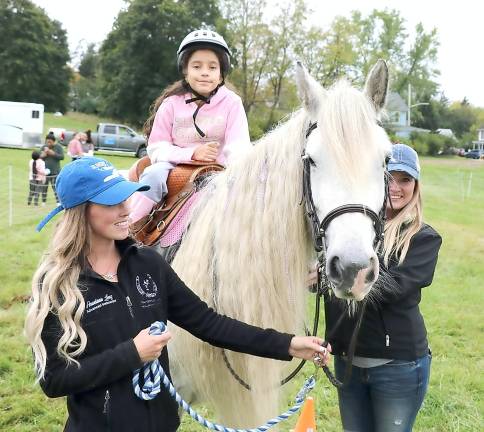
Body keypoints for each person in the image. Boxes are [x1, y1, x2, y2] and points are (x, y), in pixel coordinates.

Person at [26, 156, 330, 432]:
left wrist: (288, 344)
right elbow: (55, 380)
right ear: (81, 212)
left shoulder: (148, 264)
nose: (125, 209)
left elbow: (209, 323)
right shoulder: (57, 284)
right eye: (110, 203)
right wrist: (132, 354)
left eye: (125, 197)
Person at [323, 144, 442, 432]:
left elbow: (396, 287)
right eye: (388, 177)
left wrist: (330, 276)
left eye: (405, 180)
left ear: (416, 186)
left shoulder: (423, 238)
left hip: (398, 366)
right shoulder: (351, 233)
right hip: (348, 362)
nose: (396, 187)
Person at [130, 29, 251, 223]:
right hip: (174, 166)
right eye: (197, 66)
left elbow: (239, 145)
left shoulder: (232, 103)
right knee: (152, 175)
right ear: (186, 71)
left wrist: (242, 170)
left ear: (221, 75)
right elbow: (156, 147)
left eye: (212, 67)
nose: (205, 72)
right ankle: (131, 229)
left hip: (218, 168)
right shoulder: (171, 103)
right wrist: (192, 154)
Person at [40, 132, 64, 204]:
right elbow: (39, 158)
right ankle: (43, 202)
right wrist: (43, 154)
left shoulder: (58, 147)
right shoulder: (43, 147)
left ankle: (58, 202)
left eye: (50, 142)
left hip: (55, 171)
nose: (48, 144)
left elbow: (62, 157)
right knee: (44, 187)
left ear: (54, 141)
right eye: (47, 142)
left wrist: (52, 153)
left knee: (56, 188)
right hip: (45, 171)